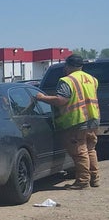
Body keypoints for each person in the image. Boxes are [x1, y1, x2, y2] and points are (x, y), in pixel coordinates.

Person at [36, 54, 100, 189]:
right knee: (90, 149)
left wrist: (42, 98)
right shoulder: (92, 79)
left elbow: (61, 100)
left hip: (77, 120)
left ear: (68, 67)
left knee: (80, 151)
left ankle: (83, 182)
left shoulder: (66, 80)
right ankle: (94, 179)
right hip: (93, 118)